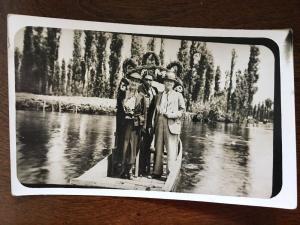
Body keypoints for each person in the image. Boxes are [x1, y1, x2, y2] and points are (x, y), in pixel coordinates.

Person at [152, 71, 185, 178]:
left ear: (174, 83)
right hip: (159, 124)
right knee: (158, 148)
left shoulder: (178, 95)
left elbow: (182, 111)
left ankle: (169, 174)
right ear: (164, 82)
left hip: (172, 124)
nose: (169, 83)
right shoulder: (158, 95)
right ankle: (157, 172)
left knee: (171, 149)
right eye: (167, 81)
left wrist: (171, 115)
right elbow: (154, 112)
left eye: (171, 81)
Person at [120, 71, 147, 180]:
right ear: (129, 81)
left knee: (133, 148)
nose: (134, 83)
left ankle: (130, 171)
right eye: (133, 80)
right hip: (124, 125)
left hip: (135, 126)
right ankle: (123, 170)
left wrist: (143, 126)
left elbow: (144, 113)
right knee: (124, 147)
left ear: (139, 83)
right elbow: (119, 110)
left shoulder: (141, 97)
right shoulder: (123, 94)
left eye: (137, 81)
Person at [138, 73, 158, 176]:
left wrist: (150, 125)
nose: (148, 82)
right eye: (146, 79)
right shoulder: (139, 89)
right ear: (143, 80)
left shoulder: (154, 91)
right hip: (140, 123)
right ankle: (140, 169)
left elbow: (153, 111)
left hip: (149, 124)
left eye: (150, 80)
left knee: (147, 147)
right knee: (140, 147)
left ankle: (146, 169)